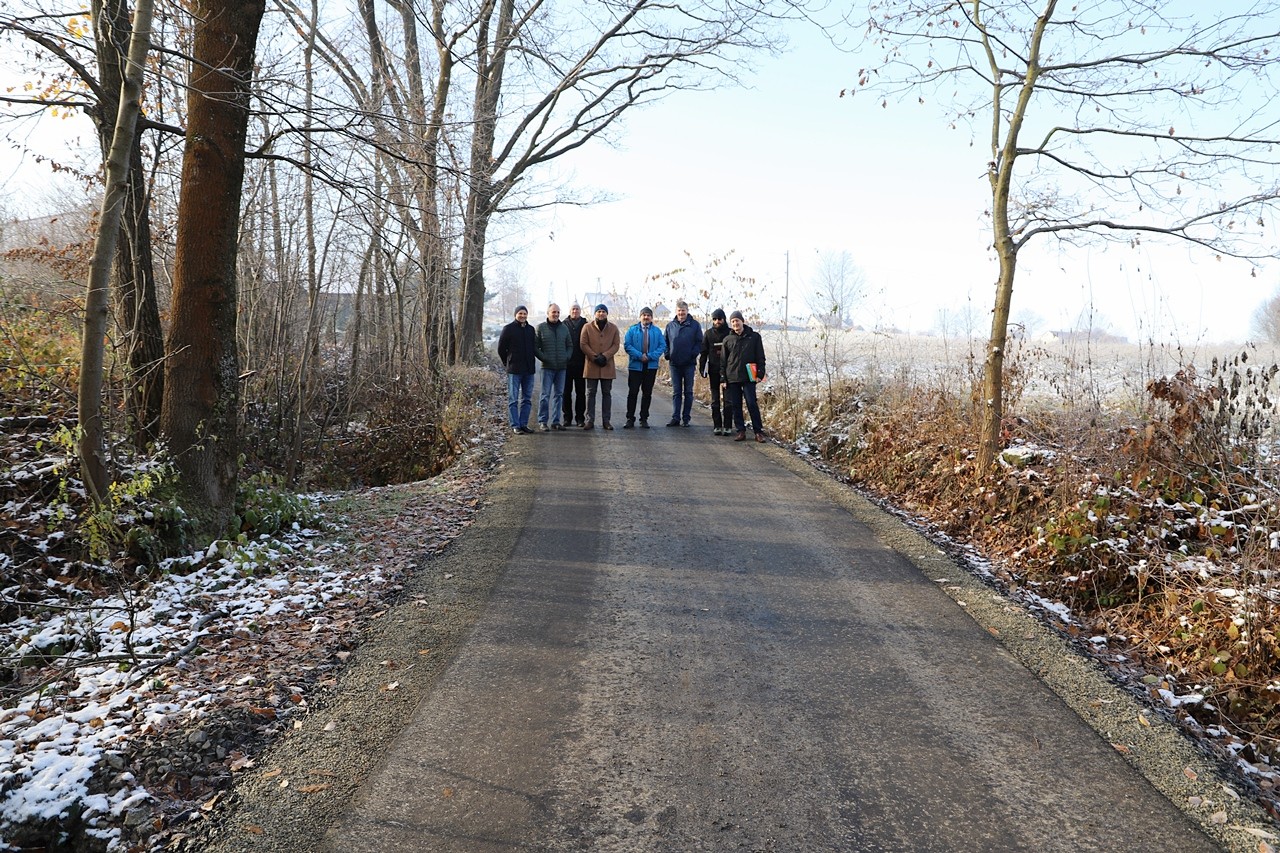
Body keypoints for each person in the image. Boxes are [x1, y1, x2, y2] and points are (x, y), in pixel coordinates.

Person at [721, 309, 767, 442]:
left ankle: (758, 432)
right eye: (733, 321)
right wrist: (723, 378)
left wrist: (760, 373)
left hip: (749, 377)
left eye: (737, 321)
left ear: (742, 321)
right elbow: (723, 361)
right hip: (732, 377)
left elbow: (760, 357)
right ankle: (740, 431)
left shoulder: (754, 337)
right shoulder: (727, 339)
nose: (735, 323)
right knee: (736, 405)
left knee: (752, 403)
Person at [623, 306, 667, 428]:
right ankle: (630, 418)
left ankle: (644, 418)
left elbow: (662, 346)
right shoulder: (632, 330)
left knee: (647, 393)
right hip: (635, 366)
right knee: (633, 393)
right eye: (644, 315)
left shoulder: (657, 331)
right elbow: (627, 345)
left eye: (648, 315)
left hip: (650, 366)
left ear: (651, 318)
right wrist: (639, 356)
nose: (646, 317)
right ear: (640, 316)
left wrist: (650, 356)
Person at [580, 304, 621, 430]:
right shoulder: (587, 327)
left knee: (606, 393)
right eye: (599, 311)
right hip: (592, 364)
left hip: (607, 365)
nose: (601, 313)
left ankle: (606, 421)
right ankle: (589, 420)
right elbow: (583, 344)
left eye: (603, 311)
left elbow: (616, 345)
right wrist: (594, 357)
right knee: (590, 393)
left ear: (607, 313)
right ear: (595, 313)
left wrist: (605, 356)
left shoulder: (613, 328)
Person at [497, 305, 537, 435]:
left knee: (527, 399)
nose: (523, 316)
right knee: (513, 399)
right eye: (520, 313)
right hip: (514, 369)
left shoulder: (531, 330)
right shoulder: (508, 329)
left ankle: (523, 424)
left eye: (525, 314)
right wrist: (507, 362)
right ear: (515, 315)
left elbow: (534, 347)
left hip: (529, 370)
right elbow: (501, 349)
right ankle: (515, 425)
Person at [663, 299, 703, 427]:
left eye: (683, 311)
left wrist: (693, 354)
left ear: (687, 311)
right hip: (674, 363)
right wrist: (667, 354)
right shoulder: (670, 326)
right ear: (676, 311)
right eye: (679, 311)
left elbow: (699, 342)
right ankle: (675, 417)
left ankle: (686, 418)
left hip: (689, 364)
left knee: (688, 392)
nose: (681, 313)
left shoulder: (695, 325)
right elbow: (665, 342)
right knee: (676, 392)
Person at [534, 303, 573, 431]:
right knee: (545, 395)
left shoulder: (564, 328)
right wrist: (544, 357)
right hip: (547, 367)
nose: (556, 314)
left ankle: (556, 421)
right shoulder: (540, 328)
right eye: (553, 312)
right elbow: (535, 347)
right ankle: (542, 421)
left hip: (561, 367)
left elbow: (570, 345)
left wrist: (566, 357)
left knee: (559, 395)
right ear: (548, 313)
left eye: (558, 312)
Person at [698, 307, 734, 435]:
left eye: (719, 319)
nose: (717, 321)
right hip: (713, 370)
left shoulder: (730, 333)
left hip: (728, 372)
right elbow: (703, 353)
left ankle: (728, 426)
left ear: (724, 319)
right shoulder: (708, 334)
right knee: (715, 400)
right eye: (714, 319)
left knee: (728, 400)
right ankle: (717, 425)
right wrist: (702, 368)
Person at [562, 303, 588, 427]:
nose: (575, 311)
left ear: (580, 311)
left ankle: (580, 418)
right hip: (566, 364)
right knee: (566, 392)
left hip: (581, 364)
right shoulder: (563, 324)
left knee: (581, 392)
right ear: (569, 311)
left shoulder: (586, 324)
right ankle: (567, 418)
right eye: (573, 309)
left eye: (577, 309)